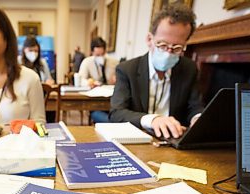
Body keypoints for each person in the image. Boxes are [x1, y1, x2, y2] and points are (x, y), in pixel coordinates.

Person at [109, 4, 203, 139]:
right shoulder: (127, 69)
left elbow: (195, 106)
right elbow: (116, 113)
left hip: (174, 139)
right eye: (163, 45)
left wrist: (197, 119)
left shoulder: (189, 68)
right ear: (149, 40)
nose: (168, 53)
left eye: (177, 48)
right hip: (139, 138)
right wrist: (152, 120)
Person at [78, 37, 118, 123]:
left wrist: (118, 79)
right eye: (97, 55)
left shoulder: (114, 62)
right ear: (92, 52)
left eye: (102, 54)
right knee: (108, 121)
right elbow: (81, 79)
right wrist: (88, 82)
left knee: (119, 118)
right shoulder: (87, 62)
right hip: (96, 102)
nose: (100, 57)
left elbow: (122, 79)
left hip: (112, 101)